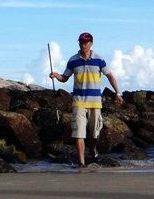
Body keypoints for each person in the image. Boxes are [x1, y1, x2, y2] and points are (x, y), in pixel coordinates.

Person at [50, 32, 123, 167]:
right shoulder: (73, 60)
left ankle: (93, 149)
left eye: (86, 42)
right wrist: (56, 75)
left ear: (91, 43)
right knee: (79, 133)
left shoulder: (99, 59)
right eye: (81, 42)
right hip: (79, 102)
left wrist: (118, 93)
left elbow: (110, 76)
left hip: (95, 102)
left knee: (95, 133)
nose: (83, 44)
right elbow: (64, 77)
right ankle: (81, 163)